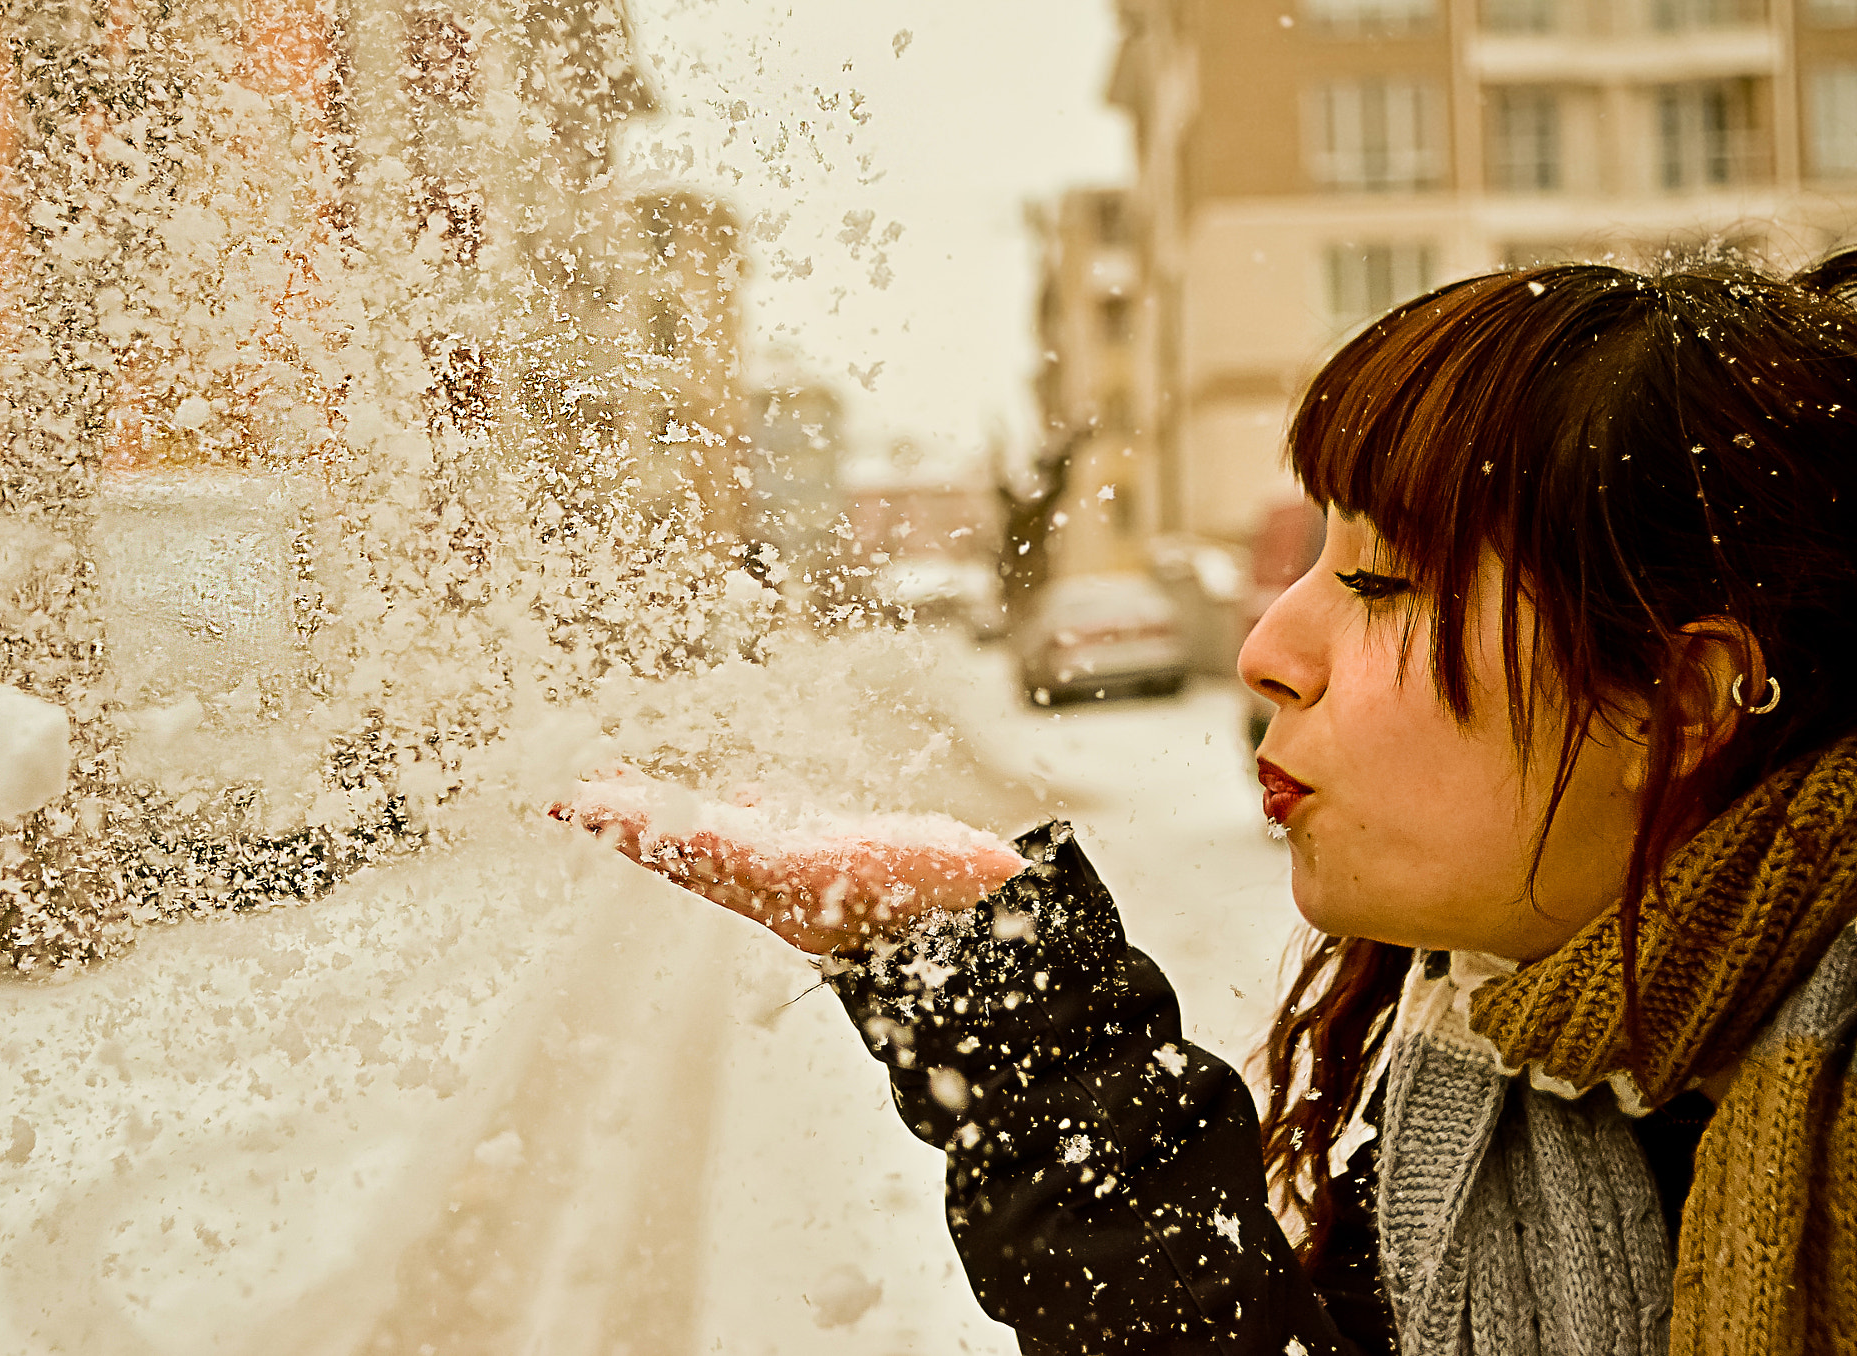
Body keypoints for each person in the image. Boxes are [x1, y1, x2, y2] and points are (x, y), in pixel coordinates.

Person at [554, 253, 1857, 1353]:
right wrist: (1037, 1034)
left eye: (1384, 583)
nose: (1267, 650)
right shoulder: (1493, 1084)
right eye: (1319, 558)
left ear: (1682, 698)